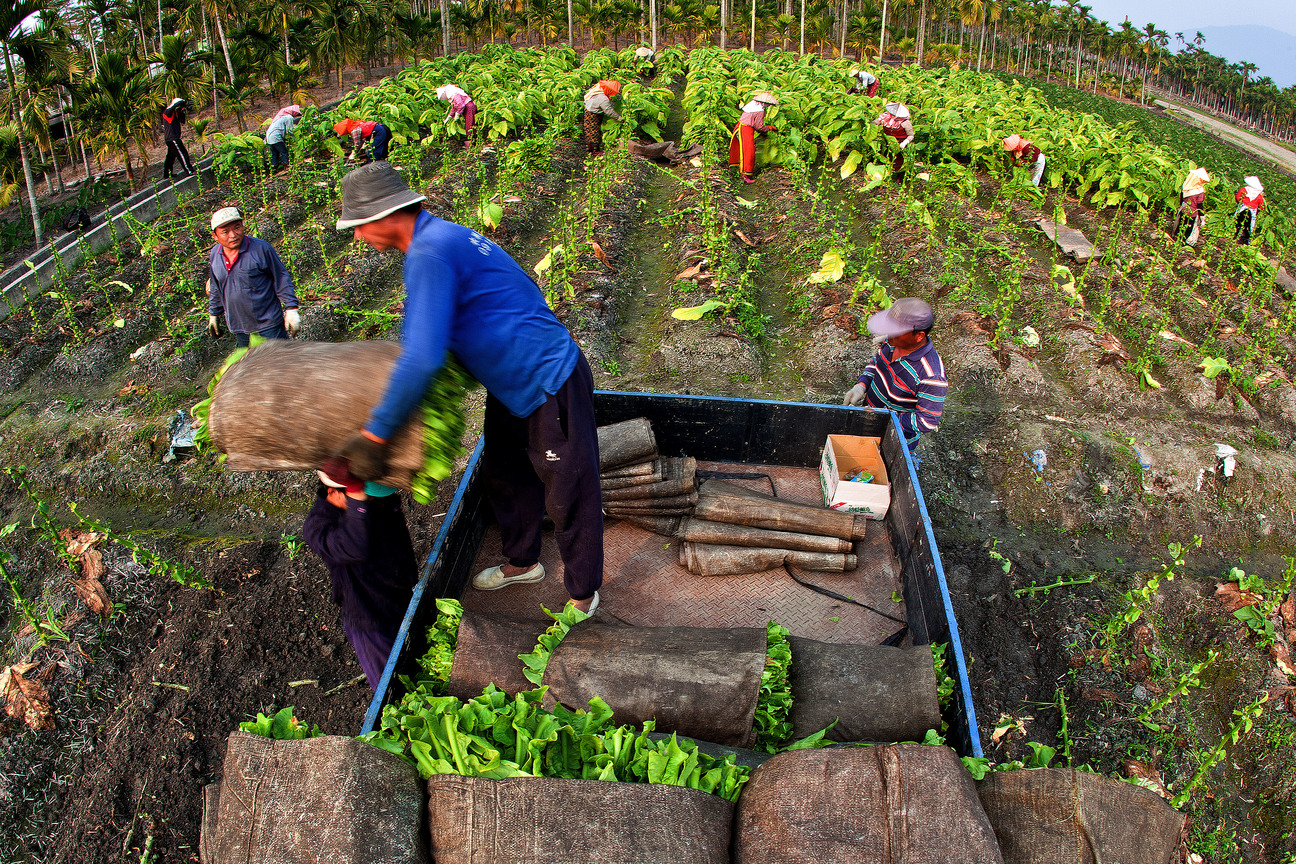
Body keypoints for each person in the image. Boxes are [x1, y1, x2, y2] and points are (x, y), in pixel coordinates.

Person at [333, 163, 603, 614]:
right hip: (510, 380)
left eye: (358, 227)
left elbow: (421, 356)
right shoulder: (442, 237)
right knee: (504, 470)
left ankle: (582, 594)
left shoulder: (430, 253)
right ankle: (523, 563)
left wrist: (375, 435)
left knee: (569, 489)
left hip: (548, 378)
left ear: (383, 216)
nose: (359, 238)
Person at [304, 459, 417, 690]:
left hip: (400, 596)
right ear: (337, 492)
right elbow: (355, 547)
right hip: (371, 618)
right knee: (395, 690)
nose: (377, 499)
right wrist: (357, 498)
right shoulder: (319, 526)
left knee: (418, 662)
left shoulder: (378, 501)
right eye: (368, 496)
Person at [843, 297, 946, 446]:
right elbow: (877, 362)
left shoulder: (931, 376)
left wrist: (885, 418)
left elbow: (927, 421)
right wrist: (862, 384)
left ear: (919, 336)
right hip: (867, 418)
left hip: (893, 439)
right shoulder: (892, 342)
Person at [206, 206, 301, 347]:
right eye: (225, 232)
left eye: (237, 227)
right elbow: (215, 285)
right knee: (252, 367)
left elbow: (280, 278)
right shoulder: (215, 254)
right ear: (215, 236)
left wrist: (291, 309)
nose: (233, 235)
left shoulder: (261, 249)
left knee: (282, 365)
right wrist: (214, 313)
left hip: (269, 325)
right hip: (240, 326)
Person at [727, 92, 778, 184]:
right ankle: (744, 175)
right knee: (748, 153)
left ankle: (741, 171)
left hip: (740, 127)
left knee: (742, 150)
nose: (768, 106)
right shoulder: (760, 110)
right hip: (745, 130)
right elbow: (759, 126)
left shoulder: (752, 105)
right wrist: (770, 128)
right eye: (768, 104)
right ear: (763, 103)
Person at [873, 102, 914, 178]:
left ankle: (899, 176)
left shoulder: (905, 123)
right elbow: (874, 123)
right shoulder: (885, 117)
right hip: (887, 142)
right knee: (886, 156)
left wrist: (904, 143)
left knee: (899, 160)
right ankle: (885, 174)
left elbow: (911, 135)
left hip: (899, 143)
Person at [582, 80, 622, 155]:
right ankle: (595, 150)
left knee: (588, 129)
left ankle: (590, 147)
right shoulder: (603, 98)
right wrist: (618, 118)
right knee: (595, 131)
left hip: (587, 111)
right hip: (594, 115)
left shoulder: (597, 91)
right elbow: (609, 111)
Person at [1175, 167, 1211, 246]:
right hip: (1193, 212)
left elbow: (1181, 200)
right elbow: (1199, 205)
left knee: (1181, 224)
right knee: (1188, 228)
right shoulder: (1199, 190)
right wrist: (1202, 217)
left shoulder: (1186, 187)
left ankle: (1176, 239)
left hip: (1184, 209)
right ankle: (1183, 243)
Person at [161, 97, 194, 179]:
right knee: (183, 154)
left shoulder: (175, 113)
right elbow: (172, 107)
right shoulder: (167, 112)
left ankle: (167, 174)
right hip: (173, 139)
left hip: (171, 139)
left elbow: (182, 121)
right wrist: (180, 103)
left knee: (170, 158)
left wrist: (183, 109)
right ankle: (190, 171)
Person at [265, 105, 301, 172]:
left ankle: (273, 169)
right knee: (284, 152)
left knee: (275, 153)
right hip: (276, 136)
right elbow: (289, 130)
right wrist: (294, 138)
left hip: (269, 137)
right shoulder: (289, 117)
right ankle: (287, 167)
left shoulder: (281, 117)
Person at [1234, 175, 1264, 246]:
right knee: (1249, 225)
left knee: (1238, 221)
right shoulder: (1259, 195)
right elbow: (1261, 206)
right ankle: (1247, 239)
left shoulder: (1244, 190)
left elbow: (1238, 197)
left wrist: (1239, 202)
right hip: (1252, 210)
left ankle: (1237, 236)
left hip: (1243, 207)